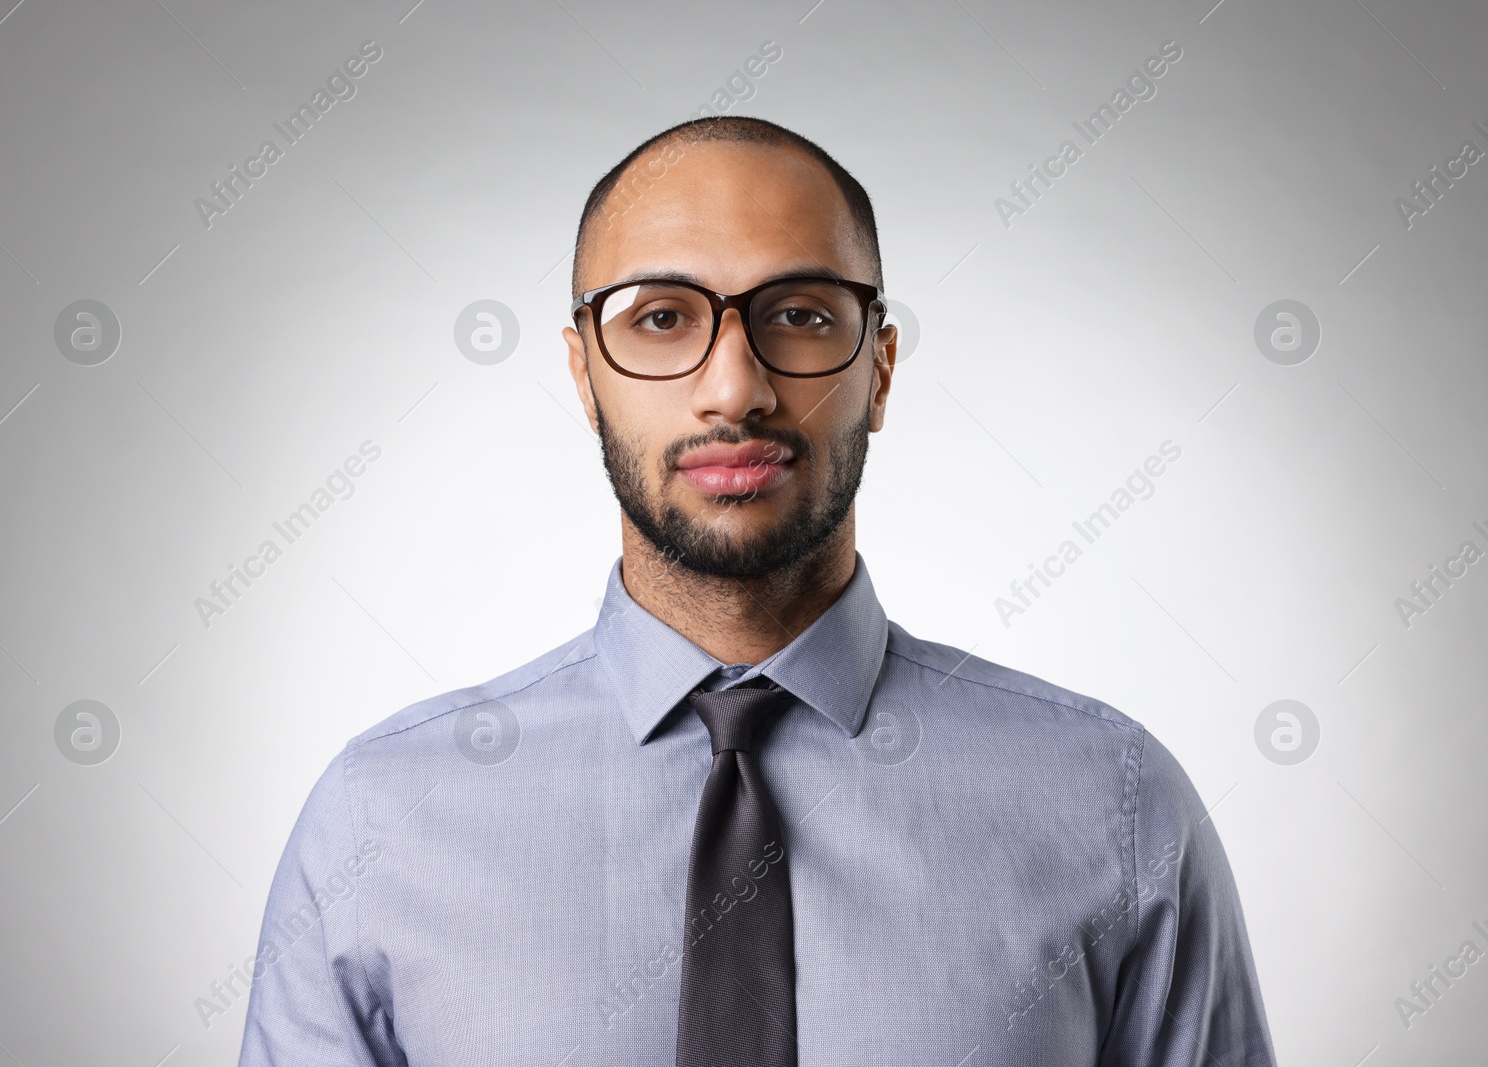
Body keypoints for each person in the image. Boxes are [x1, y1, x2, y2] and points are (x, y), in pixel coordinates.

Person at [237, 116, 1276, 1066]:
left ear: (879, 369)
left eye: (798, 313)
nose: (734, 387)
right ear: (581, 373)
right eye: (658, 319)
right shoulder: (381, 820)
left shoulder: (1114, 805)